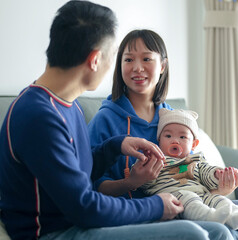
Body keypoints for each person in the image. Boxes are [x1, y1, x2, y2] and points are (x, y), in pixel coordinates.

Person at [0, 2, 213, 240]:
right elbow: (85, 207)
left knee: (221, 231)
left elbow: (80, 173)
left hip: (78, 224)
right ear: (94, 60)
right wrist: (156, 205)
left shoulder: (66, 104)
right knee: (192, 235)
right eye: (117, 57)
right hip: (54, 233)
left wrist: (116, 145)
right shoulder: (38, 117)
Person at [88, 29, 238, 240]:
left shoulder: (173, 118)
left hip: (185, 203)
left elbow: (188, 170)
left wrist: (218, 188)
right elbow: (93, 189)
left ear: (163, 66)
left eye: (146, 58)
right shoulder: (105, 120)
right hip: (142, 213)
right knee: (222, 232)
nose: (137, 68)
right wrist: (132, 182)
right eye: (128, 59)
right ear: (120, 66)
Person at [141, 108, 238, 230]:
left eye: (182, 137)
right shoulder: (157, 159)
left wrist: (217, 175)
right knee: (189, 198)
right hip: (173, 198)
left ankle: (234, 215)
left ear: (193, 144)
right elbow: (145, 183)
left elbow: (207, 173)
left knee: (217, 199)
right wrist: (146, 167)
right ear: (159, 140)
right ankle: (210, 217)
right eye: (168, 136)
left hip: (201, 195)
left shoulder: (196, 160)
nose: (175, 140)